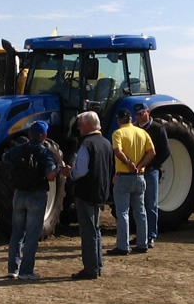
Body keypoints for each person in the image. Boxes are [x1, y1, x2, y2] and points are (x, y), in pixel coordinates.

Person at [61, 111, 113, 279]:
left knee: (88, 232)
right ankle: (97, 265)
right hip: (100, 191)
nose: (78, 128)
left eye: (80, 124)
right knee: (95, 230)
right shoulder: (106, 143)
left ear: (89, 125)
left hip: (86, 192)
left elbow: (82, 170)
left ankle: (90, 268)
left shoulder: (86, 144)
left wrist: (70, 173)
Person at [5, 120, 58, 281]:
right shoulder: (45, 153)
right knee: (32, 236)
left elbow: (6, 158)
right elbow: (50, 175)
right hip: (36, 195)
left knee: (17, 233)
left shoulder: (18, 149)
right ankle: (26, 271)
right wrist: (58, 171)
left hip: (19, 194)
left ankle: (12, 269)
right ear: (45, 136)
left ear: (29, 134)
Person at [107, 108, 155, 255]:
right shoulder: (142, 132)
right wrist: (140, 166)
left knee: (123, 212)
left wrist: (128, 163)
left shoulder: (118, 133)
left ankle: (123, 245)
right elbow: (152, 152)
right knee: (140, 211)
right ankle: (143, 243)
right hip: (139, 176)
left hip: (124, 176)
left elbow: (117, 151)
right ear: (131, 119)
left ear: (119, 120)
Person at [134, 103, 170, 248]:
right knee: (138, 205)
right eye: (137, 114)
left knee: (151, 204)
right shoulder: (134, 128)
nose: (139, 117)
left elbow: (165, 151)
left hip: (150, 171)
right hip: (136, 172)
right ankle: (141, 234)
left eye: (141, 113)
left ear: (148, 112)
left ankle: (151, 235)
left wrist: (154, 165)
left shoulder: (157, 129)